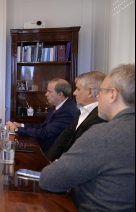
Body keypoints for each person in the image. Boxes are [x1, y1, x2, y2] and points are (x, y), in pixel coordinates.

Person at [39, 64, 135, 211]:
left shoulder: (103, 134)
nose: (98, 98)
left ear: (113, 95)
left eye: (101, 92)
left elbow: (49, 180)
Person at [46, 71, 107, 161]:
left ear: (90, 91)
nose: (74, 93)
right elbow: (64, 138)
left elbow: (82, 151)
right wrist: (48, 161)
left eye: (78, 89)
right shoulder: (82, 111)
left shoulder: (100, 117)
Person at [6, 78, 78, 153]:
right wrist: (21, 125)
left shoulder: (67, 112)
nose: (46, 94)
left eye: (49, 91)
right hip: (44, 146)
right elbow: (43, 126)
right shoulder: (56, 106)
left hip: (51, 153)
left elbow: (45, 132)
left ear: (60, 94)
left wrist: (16, 129)